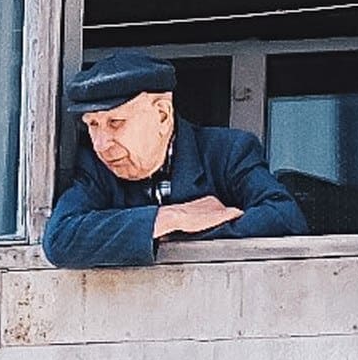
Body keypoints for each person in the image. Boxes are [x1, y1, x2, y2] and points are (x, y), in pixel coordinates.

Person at [41, 50, 307, 267]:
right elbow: (60, 240)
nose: (101, 144)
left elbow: (285, 217)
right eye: (92, 124)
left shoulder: (228, 151)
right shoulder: (94, 167)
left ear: (162, 115)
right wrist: (172, 218)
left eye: (115, 122)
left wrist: (175, 236)